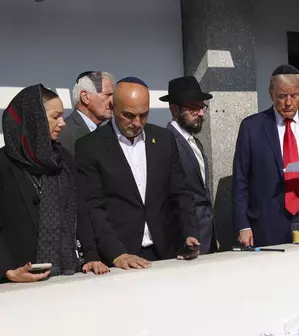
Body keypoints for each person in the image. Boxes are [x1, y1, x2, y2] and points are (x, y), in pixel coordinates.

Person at [75, 77, 199, 268]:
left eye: (144, 115)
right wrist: (116, 253)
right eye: (129, 115)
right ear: (113, 107)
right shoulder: (91, 146)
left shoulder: (164, 140)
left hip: (165, 252)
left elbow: (181, 192)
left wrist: (190, 231)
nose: (137, 122)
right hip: (120, 255)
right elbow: (93, 208)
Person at [0, 85, 109, 282]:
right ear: (34, 119)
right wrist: (7, 270)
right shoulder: (3, 164)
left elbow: (81, 211)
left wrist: (91, 254)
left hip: (67, 275)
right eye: (55, 117)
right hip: (16, 282)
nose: (62, 123)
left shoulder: (62, 159)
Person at [233, 65, 299, 247]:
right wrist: (243, 225)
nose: (289, 103)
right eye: (282, 96)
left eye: (294, 95)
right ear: (271, 93)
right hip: (268, 219)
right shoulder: (252, 127)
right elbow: (240, 179)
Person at [161, 76, 219, 254]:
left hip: (206, 236)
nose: (201, 113)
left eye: (202, 107)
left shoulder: (195, 142)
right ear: (174, 109)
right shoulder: (166, 142)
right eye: (194, 108)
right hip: (185, 241)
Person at [58, 71, 114, 155]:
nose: (113, 101)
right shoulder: (64, 134)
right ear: (85, 97)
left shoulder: (111, 133)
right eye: (107, 95)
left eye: (114, 96)